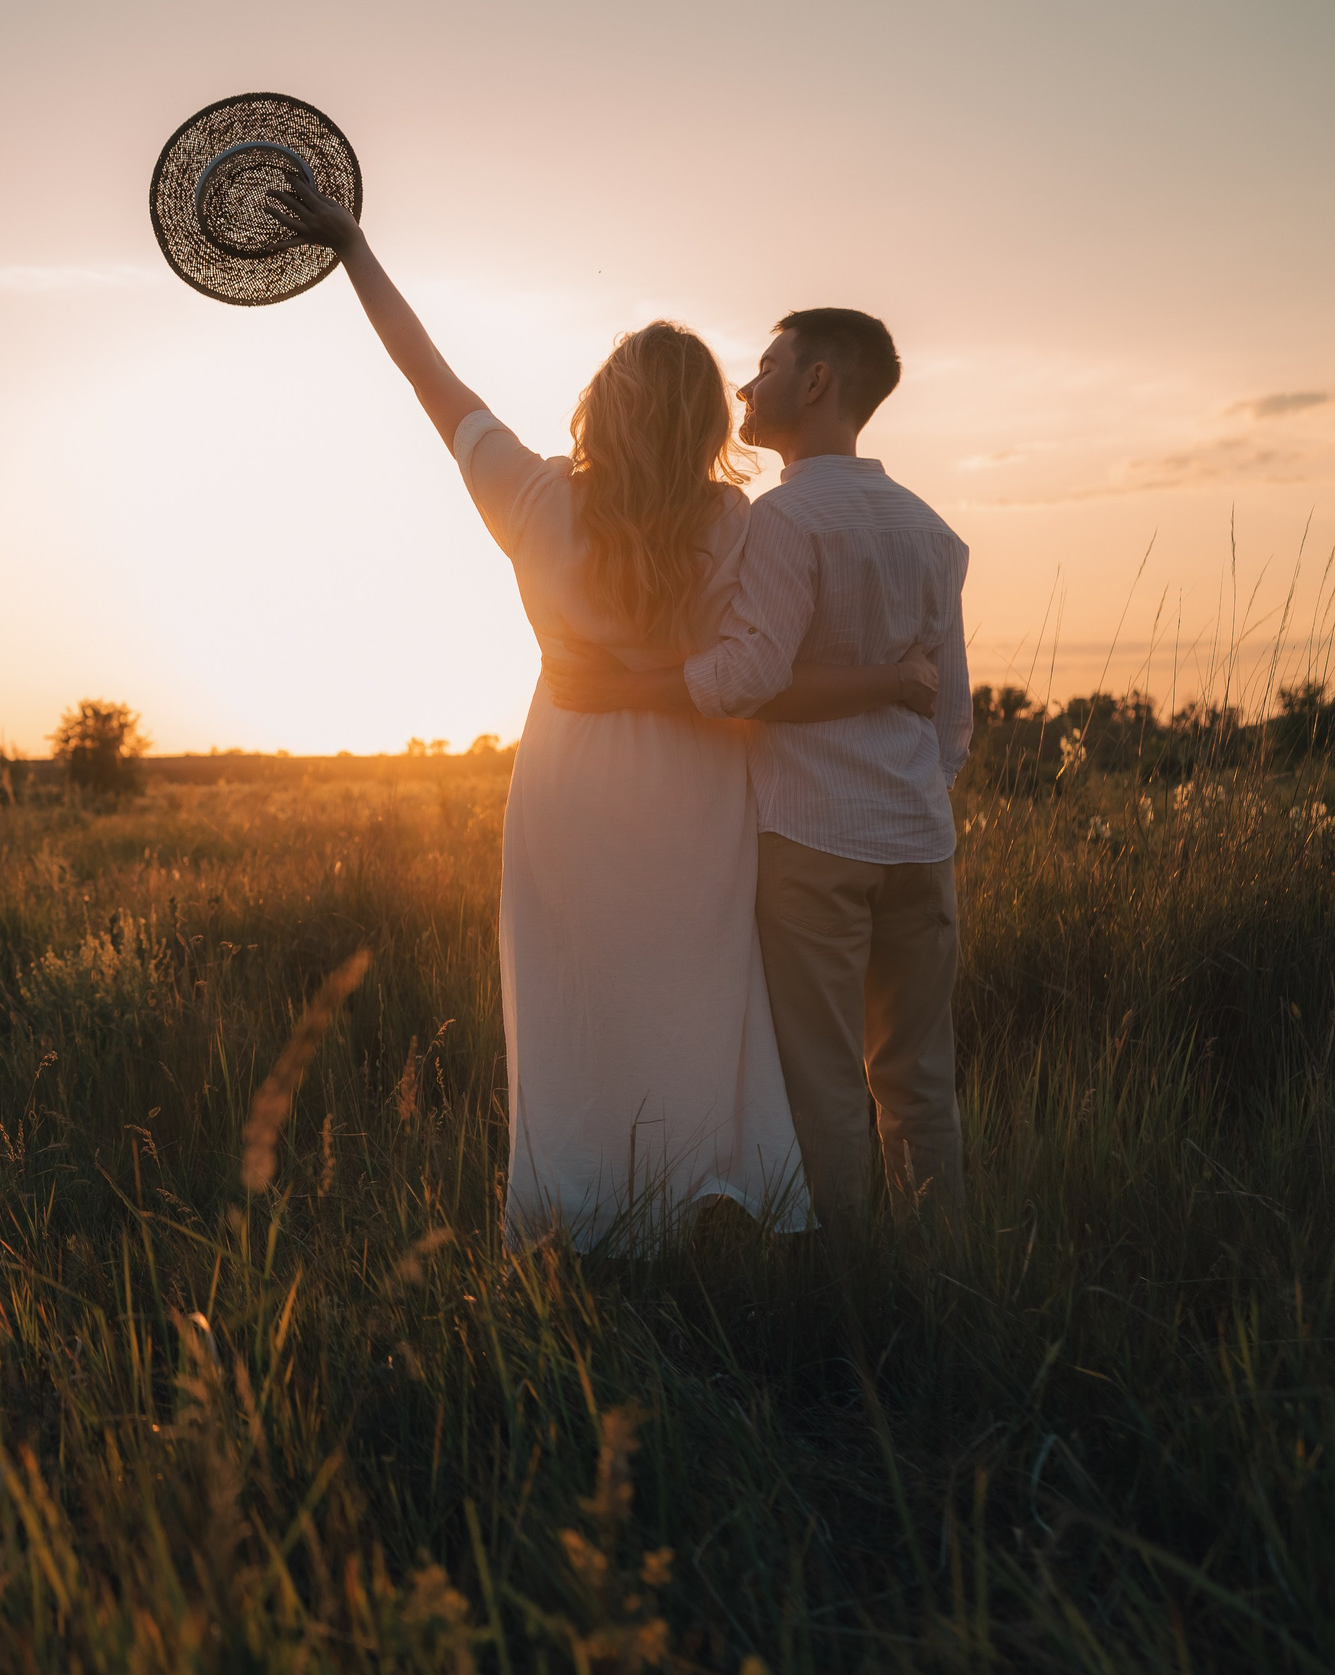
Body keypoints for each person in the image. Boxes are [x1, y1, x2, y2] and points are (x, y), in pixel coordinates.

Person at [264, 182, 937, 1251]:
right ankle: (713, 1199)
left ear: (598, 404)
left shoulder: (529, 497)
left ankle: (584, 1212)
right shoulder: (734, 518)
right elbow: (766, 660)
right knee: (704, 999)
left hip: (570, 784)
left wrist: (352, 249)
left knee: (576, 1000)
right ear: (711, 421)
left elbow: (424, 373)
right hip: (702, 786)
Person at [543, 311, 971, 1244]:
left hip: (812, 838)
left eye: (768, 365)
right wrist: (908, 785)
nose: (745, 386)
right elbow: (952, 724)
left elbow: (745, 677)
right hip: (921, 839)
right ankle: (943, 1269)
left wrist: (629, 684)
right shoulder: (934, 533)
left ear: (818, 383)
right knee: (920, 1078)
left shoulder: (782, 520)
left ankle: (848, 1280)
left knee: (821, 1077)